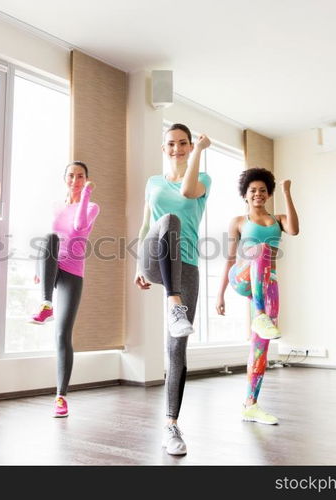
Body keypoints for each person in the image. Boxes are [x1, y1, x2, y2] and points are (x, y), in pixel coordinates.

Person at [134, 123, 211, 456]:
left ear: (190, 146)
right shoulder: (153, 182)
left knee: (176, 349)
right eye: (171, 144)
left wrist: (198, 154)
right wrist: (139, 265)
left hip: (187, 266)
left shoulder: (203, 180)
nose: (177, 148)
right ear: (163, 148)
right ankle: (173, 301)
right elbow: (145, 222)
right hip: (154, 258)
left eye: (183, 143)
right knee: (168, 222)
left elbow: (186, 192)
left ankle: (171, 426)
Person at [215, 167, 299, 425]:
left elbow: (294, 230)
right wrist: (220, 295)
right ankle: (260, 315)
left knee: (260, 347)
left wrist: (286, 191)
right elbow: (230, 258)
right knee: (261, 250)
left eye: (263, 190)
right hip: (242, 277)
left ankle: (250, 404)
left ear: (269, 193)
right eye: (253, 191)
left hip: (268, 284)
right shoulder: (239, 222)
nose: (258, 194)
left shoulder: (279, 220)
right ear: (245, 194)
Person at [29, 161, 99, 418]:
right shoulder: (55, 206)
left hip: (73, 272)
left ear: (86, 179)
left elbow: (79, 227)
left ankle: (60, 397)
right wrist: (40, 270)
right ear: (64, 178)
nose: (75, 180)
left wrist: (86, 194)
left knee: (62, 335)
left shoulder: (91, 206)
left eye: (80, 176)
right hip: (53, 265)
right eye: (71, 175)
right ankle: (46, 304)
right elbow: (50, 238)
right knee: (48, 238)